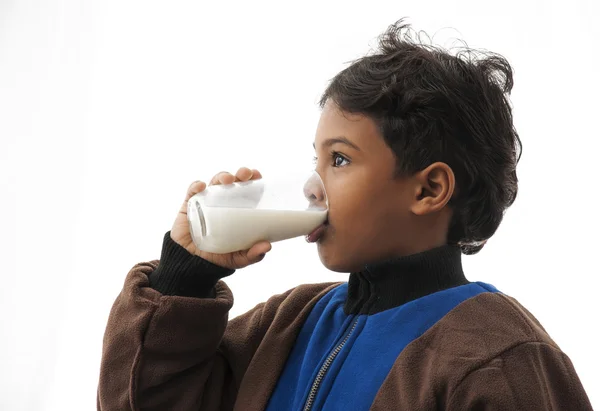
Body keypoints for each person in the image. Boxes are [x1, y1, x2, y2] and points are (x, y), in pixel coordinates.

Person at [96, 18, 593, 410]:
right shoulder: (288, 324)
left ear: (429, 188)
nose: (313, 185)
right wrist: (186, 277)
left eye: (339, 159)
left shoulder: (497, 357)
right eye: (315, 159)